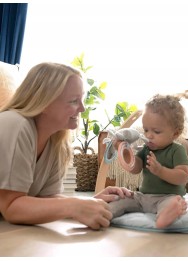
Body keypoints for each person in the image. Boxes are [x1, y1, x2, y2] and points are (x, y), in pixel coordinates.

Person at [0, 62, 133, 230]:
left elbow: (44, 198)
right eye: (73, 101)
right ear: (44, 102)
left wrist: (88, 203)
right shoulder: (15, 124)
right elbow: (11, 208)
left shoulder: (57, 141)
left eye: (82, 99)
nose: (82, 108)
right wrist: (72, 206)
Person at [109, 94, 188, 229]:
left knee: (171, 203)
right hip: (143, 197)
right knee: (122, 199)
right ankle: (106, 212)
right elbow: (135, 168)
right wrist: (124, 152)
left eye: (156, 131)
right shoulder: (146, 149)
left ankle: (167, 215)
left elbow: (183, 177)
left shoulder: (177, 150)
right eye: (146, 130)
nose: (148, 135)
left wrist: (160, 171)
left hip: (167, 197)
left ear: (175, 133)